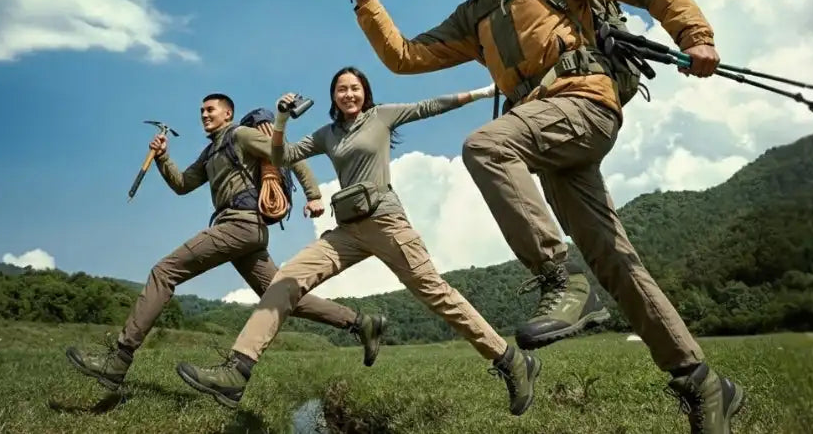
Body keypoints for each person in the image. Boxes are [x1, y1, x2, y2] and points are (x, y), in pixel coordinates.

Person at [343, 0, 746, 431]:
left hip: (584, 103)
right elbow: (405, 57)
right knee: (613, 259)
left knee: (486, 146)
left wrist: (695, 35)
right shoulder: (475, 14)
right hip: (546, 132)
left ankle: (560, 278)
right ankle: (701, 381)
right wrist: (367, 4)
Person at [175, 67, 545, 415]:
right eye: (341, 89)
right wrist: (282, 119)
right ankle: (237, 371)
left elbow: (431, 106)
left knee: (437, 294)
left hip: (387, 222)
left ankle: (510, 360)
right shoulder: (328, 134)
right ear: (333, 98)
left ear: (364, 93)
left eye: (354, 88)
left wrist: (484, 92)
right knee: (285, 279)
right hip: (347, 231)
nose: (348, 94)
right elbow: (282, 155)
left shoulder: (381, 117)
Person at [64, 93, 386, 393]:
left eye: (210, 110)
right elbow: (182, 184)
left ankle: (117, 362)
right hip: (245, 232)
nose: (204, 114)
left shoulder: (240, 135)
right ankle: (361, 322)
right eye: (201, 111)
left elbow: (286, 153)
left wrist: (314, 196)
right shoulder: (210, 152)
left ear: (227, 113)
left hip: (240, 224)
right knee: (282, 297)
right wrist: (164, 159)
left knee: (164, 273)